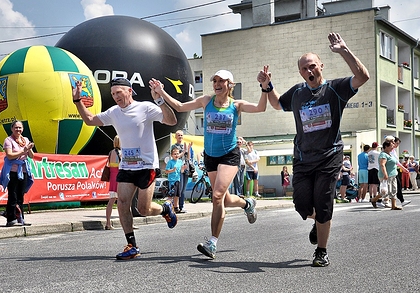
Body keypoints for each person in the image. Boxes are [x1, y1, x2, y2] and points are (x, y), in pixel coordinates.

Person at [258, 32, 370, 267]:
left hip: (329, 156)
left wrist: (344, 50)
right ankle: (318, 220)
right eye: (304, 69)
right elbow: (278, 103)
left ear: (321, 66)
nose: (309, 71)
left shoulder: (336, 88)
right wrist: (267, 87)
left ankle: (321, 250)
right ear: (301, 72)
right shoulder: (298, 92)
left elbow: (362, 76)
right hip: (302, 158)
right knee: (301, 205)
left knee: (324, 201)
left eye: (312, 66)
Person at [150, 69, 267, 259]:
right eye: (215, 81)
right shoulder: (206, 101)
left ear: (230, 85)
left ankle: (212, 243)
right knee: (226, 199)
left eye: (222, 81)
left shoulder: (236, 105)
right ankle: (247, 203)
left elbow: (261, 107)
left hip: (229, 155)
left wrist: (264, 87)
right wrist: (161, 92)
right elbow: (180, 106)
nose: (217, 84)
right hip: (211, 156)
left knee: (217, 195)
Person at [73, 77, 178, 260]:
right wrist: (77, 101)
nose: (115, 97)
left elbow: (171, 120)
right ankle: (132, 246)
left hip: (146, 165)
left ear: (129, 91)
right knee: (122, 203)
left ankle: (165, 209)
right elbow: (90, 120)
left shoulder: (145, 107)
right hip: (127, 165)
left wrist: (159, 99)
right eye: (113, 94)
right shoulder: (114, 112)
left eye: (118, 92)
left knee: (143, 209)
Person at [0, 120, 34, 227]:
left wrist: (29, 149)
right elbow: (9, 155)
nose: (18, 130)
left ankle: (20, 218)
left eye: (20, 127)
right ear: (12, 129)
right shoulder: (8, 140)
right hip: (12, 171)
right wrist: (24, 151)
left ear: (22, 129)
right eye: (16, 127)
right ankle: (11, 218)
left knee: (20, 196)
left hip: (23, 170)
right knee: (13, 195)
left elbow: (31, 156)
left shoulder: (25, 139)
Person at [372, 140, 401, 210]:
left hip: (393, 175)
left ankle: (394, 206)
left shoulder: (390, 154)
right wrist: (385, 174)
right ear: (386, 147)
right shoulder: (383, 155)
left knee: (394, 190)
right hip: (386, 176)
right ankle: (374, 199)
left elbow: (396, 162)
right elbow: (382, 165)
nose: (393, 147)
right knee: (385, 192)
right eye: (391, 146)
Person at [170, 130, 192, 213]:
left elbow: (188, 158)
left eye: (181, 135)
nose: (180, 137)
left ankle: (181, 206)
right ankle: (176, 206)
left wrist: (188, 150)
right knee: (179, 188)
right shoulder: (174, 147)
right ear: (176, 137)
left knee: (183, 189)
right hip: (178, 170)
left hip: (185, 168)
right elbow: (176, 156)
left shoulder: (184, 146)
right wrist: (183, 151)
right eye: (178, 135)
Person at [105, 135, 121, 230]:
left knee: (111, 201)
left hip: (112, 178)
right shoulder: (121, 153)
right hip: (120, 178)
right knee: (125, 201)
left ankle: (108, 223)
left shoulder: (111, 152)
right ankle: (128, 223)